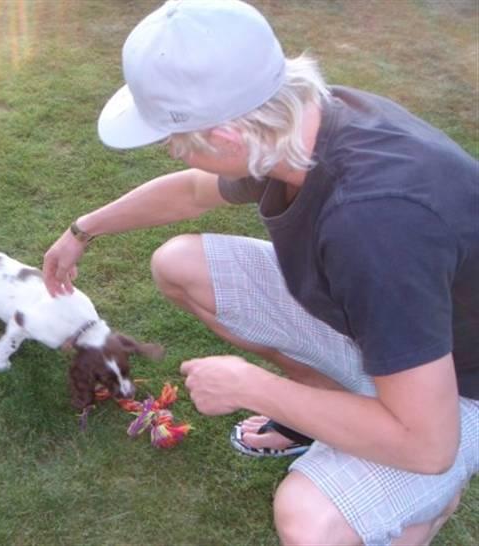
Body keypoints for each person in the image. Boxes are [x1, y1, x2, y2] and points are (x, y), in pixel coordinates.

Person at [42, 0, 479, 544]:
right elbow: (193, 192)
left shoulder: (371, 222)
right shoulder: (297, 127)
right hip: (393, 334)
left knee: (310, 523)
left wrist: (255, 387)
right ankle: (330, 411)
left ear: (225, 138)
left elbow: (426, 444)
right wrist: (83, 230)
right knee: (178, 264)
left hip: (455, 395)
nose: (176, 154)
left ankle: (427, 507)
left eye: (174, 141)